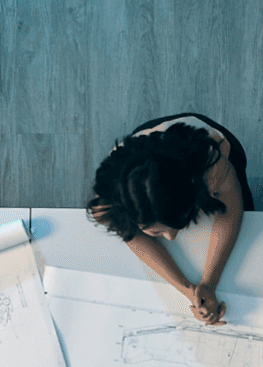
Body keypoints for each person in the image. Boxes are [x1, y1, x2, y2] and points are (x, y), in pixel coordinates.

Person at [87, 113, 254, 324]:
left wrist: (210, 283)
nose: (171, 237)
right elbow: (131, 236)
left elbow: (231, 210)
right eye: (157, 232)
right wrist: (187, 289)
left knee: (248, 211)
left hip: (202, 142)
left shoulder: (211, 167)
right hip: (144, 148)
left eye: (178, 224)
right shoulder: (107, 203)